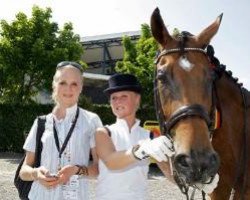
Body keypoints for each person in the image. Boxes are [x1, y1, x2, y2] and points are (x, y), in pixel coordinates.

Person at [95, 73, 219, 200]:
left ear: (137, 99)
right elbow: (111, 162)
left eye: (123, 96)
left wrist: (196, 181)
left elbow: (170, 173)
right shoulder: (103, 132)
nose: (117, 101)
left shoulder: (150, 136)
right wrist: (141, 150)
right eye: (113, 98)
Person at [19, 61, 102, 200]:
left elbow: (100, 168)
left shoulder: (92, 121)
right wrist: (36, 173)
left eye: (74, 84)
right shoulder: (41, 123)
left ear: (81, 87)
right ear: (54, 85)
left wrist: (77, 170)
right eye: (63, 82)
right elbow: (24, 171)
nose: (68, 89)